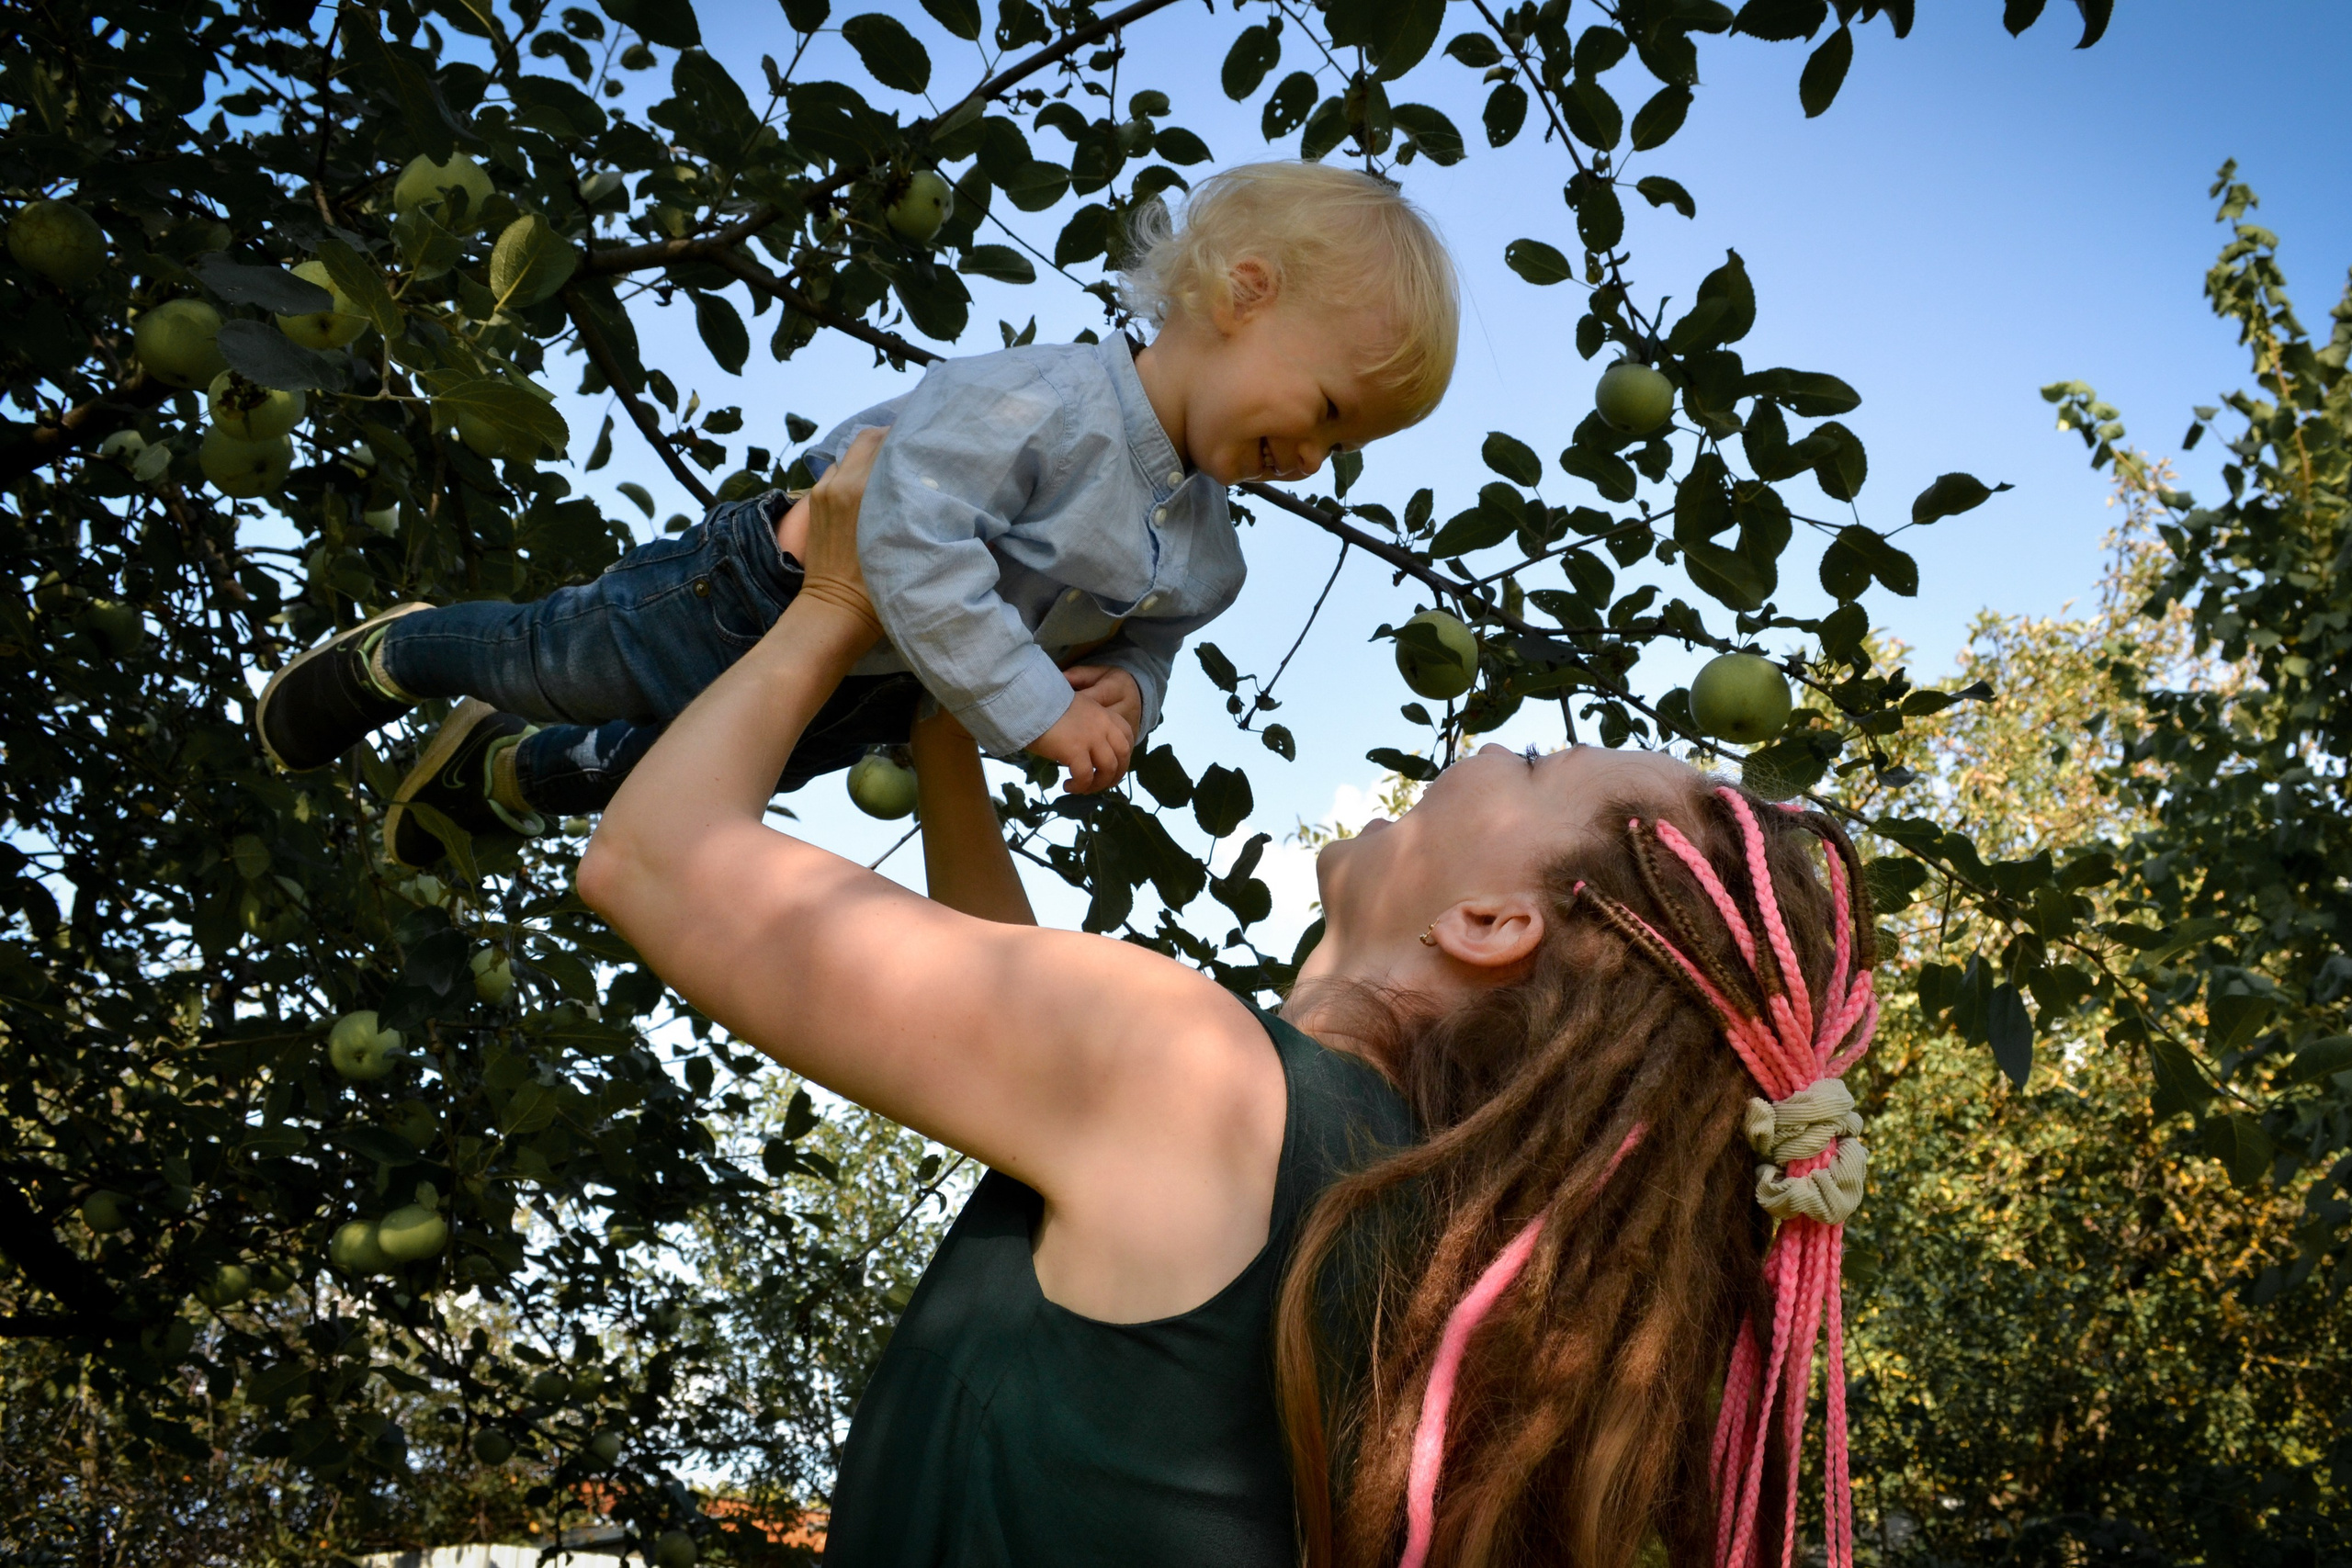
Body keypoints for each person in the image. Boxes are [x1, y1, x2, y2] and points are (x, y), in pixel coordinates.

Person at [578, 433, 1881, 1568]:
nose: (1484, 746)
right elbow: (1016, 1037)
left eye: (1534, 762)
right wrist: (941, 722)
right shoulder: (1417, 1246)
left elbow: (650, 861)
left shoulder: (1201, 1085)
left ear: (1491, 925)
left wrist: (842, 597)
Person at [250, 162, 1458, 869]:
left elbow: (1150, 631)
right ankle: (397, 654)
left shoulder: (1208, 550)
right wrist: (1036, 705)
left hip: (877, 685)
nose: (1312, 458)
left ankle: (505, 778)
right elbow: (909, 533)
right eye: (1327, 408)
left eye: (1346, 445)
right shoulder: (1047, 403)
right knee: (562, 658)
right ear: (1245, 297)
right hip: (765, 593)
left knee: (669, 779)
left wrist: (1130, 692)